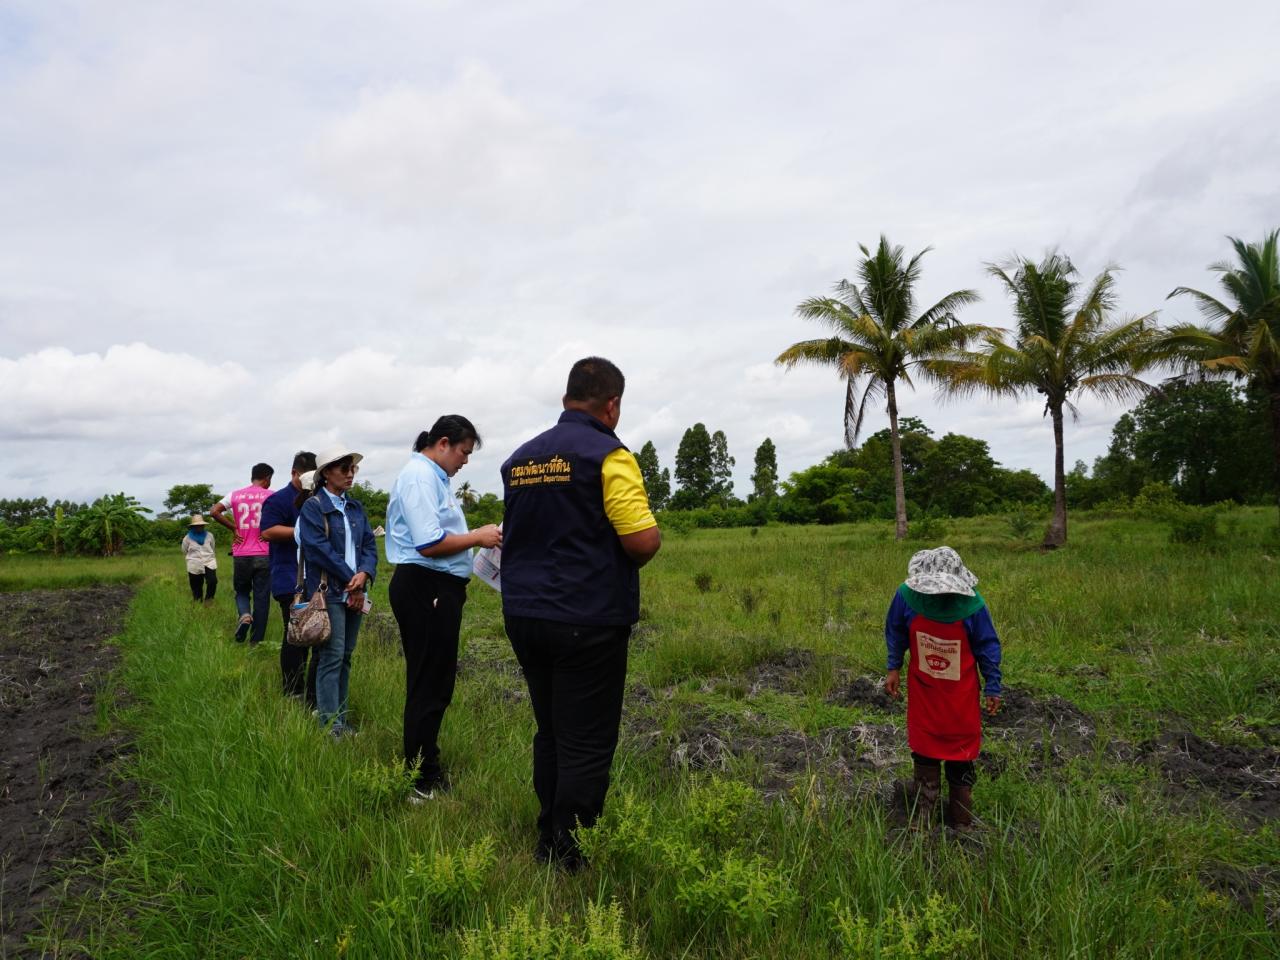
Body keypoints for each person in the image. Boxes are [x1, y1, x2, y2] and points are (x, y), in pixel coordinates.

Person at [500, 357, 662, 869]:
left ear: (569, 396)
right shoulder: (608, 456)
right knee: (586, 740)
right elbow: (641, 541)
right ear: (612, 404)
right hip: (586, 619)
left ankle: (548, 832)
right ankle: (570, 853)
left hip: (524, 615)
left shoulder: (519, 460)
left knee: (550, 729)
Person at [386, 417, 502, 801]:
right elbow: (429, 542)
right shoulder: (419, 477)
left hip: (436, 588)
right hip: (426, 586)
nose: (465, 462)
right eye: (464, 453)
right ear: (443, 443)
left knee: (434, 682)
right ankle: (420, 780)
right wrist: (479, 536)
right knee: (428, 685)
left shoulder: (434, 478)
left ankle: (425, 767)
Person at [884, 546, 1003, 830]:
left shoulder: (974, 606)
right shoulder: (905, 597)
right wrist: (893, 667)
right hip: (924, 691)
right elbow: (896, 631)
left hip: (960, 696)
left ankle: (961, 819)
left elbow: (987, 646)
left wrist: (993, 685)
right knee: (924, 748)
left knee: (960, 751)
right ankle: (924, 814)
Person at [297, 447, 378, 737]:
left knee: (346, 655)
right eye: (343, 468)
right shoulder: (314, 507)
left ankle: (340, 720)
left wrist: (365, 574)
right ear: (326, 473)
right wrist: (351, 580)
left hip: (354, 589)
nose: (349, 473)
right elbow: (318, 550)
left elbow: (369, 544)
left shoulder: (355, 508)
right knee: (332, 656)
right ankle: (331, 725)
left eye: (352, 468)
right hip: (330, 591)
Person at [260, 450, 319, 704]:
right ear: (294, 473)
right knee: (295, 634)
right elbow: (268, 531)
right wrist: (302, 531)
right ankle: (293, 690)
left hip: (316, 576)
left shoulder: (317, 498)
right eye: (305, 476)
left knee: (317, 634)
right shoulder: (279, 500)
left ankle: (313, 693)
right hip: (289, 577)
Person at [211, 462, 274, 645]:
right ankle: (256, 642)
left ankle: (245, 615)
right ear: (267, 478)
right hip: (264, 553)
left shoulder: (235, 495)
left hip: (241, 554)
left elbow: (214, 511)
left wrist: (233, 528)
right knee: (262, 599)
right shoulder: (272, 495)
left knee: (242, 592)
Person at [180, 514, 217, 603]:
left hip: (209, 562)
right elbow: (184, 550)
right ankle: (198, 602)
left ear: (203, 526)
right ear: (193, 527)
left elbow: (212, 547)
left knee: (212, 581)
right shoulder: (187, 538)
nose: (199, 527)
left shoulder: (209, 535)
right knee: (196, 586)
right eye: (197, 526)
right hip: (194, 564)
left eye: (201, 525)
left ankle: (209, 600)